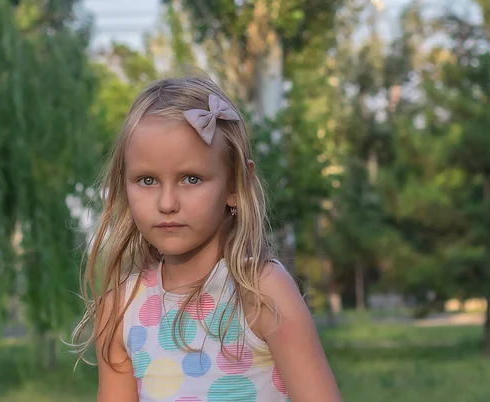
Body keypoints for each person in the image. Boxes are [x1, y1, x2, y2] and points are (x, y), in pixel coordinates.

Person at [72, 76, 342, 402]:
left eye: (191, 179)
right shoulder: (120, 308)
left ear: (235, 186)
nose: (167, 203)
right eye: (147, 180)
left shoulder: (262, 292)